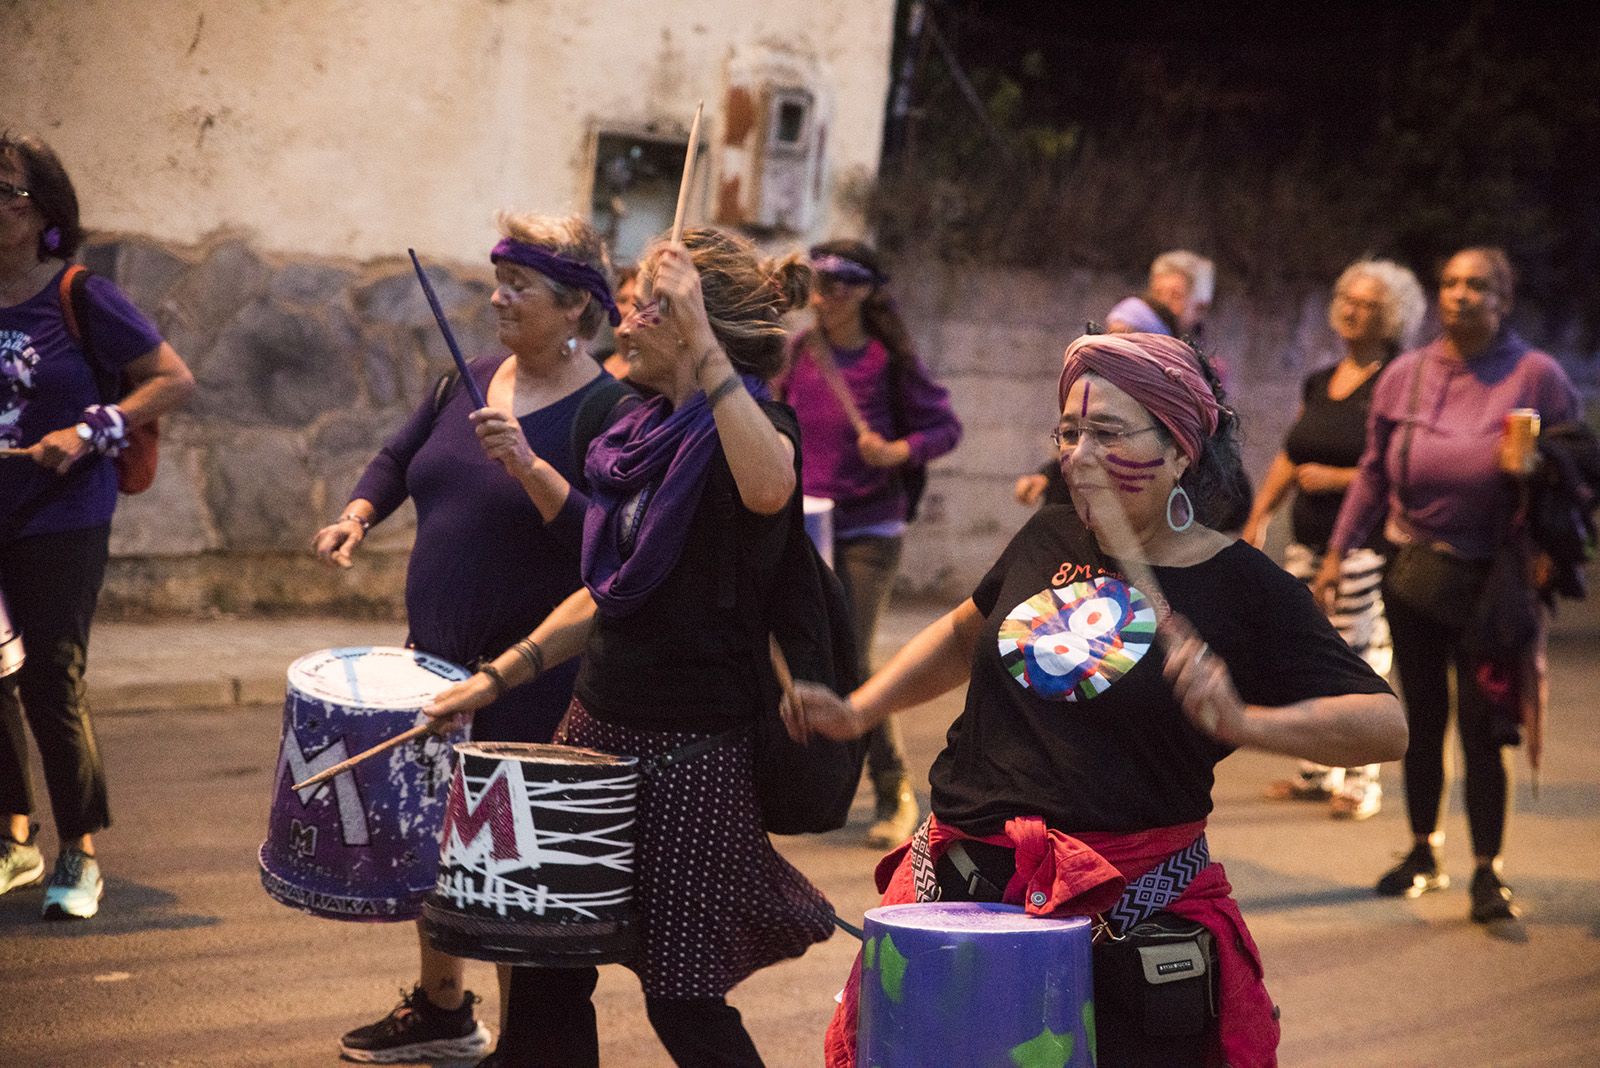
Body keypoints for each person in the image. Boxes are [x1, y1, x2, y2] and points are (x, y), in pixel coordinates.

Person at [787, 332, 1406, 1068]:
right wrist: (861, 710)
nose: (1076, 456)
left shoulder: (1246, 587)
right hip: (960, 895)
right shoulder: (1048, 533)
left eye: (1107, 433)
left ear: (1180, 449)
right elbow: (964, 633)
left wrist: (1248, 722)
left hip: (1124, 920)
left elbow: (1384, 725)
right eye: (1070, 432)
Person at [424, 227, 835, 1068]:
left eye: (652, 302)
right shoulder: (634, 430)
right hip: (593, 730)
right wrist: (498, 679)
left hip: (693, 752)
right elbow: (608, 598)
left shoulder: (754, 429)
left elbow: (772, 486)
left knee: (683, 998)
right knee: (543, 964)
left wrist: (708, 349)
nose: (628, 312)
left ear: (694, 324)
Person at [312, 212, 626, 1063]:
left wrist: (528, 464)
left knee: (516, 877)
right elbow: (398, 454)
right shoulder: (465, 379)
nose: (498, 299)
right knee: (440, 847)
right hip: (433, 660)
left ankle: (531, 1040)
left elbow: (609, 550)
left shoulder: (609, 409)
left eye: (519, 287)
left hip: (534, 677)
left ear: (575, 308)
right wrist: (357, 513)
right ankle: (443, 1008)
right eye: (499, 281)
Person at [1313, 247, 1582, 926]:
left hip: (1494, 578)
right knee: (1423, 718)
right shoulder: (1404, 373)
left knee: (1485, 728)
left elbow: (1582, 469)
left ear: (1503, 299)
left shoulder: (1536, 375)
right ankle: (1423, 852)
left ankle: (1488, 870)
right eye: (1451, 283)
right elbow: (1375, 471)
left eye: (1478, 285)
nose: (1460, 295)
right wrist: (1338, 550)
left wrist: (1548, 509)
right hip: (1413, 571)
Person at [0, 132, 195, 920]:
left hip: (61, 514)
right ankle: (16, 840)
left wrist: (88, 431)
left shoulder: (81, 294)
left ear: (43, 211)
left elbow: (171, 380)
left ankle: (80, 852)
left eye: (4, 190)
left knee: (51, 675)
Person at [780, 239, 962, 848]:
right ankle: (800, 784)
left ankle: (895, 792)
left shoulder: (888, 359)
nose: (824, 296)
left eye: (837, 284)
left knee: (852, 659)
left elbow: (944, 427)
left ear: (863, 291)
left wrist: (898, 450)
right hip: (804, 524)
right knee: (792, 656)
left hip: (868, 531)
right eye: (816, 283)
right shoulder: (796, 352)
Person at [1242, 259, 1426, 820]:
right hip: (1308, 539)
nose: (1352, 310)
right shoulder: (1321, 380)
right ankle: (1318, 769)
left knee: (1360, 653)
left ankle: (1362, 779)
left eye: (1368, 303)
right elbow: (1292, 451)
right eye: (1347, 298)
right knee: (1307, 651)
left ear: (1392, 317)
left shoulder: (1402, 380)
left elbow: (1408, 464)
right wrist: (1260, 513)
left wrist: (1338, 479)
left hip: (1367, 544)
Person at [1015, 250, 1215, 508]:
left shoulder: (1203, 377)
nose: (1161, 303)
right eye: (1157, 292)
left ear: (1200, 306)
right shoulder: (1117, 364)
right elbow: (1088, 435)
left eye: (1175, 296)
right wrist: (1049, 476)